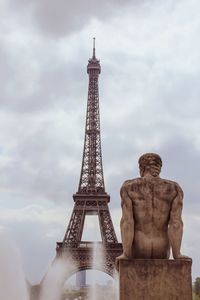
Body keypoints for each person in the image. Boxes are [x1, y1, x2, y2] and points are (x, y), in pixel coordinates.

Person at [117, 153, 189, 262]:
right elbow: (176, 223)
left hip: (139, 247)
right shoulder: (174, 188)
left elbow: (127, 222)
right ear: (159, 167)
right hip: (162, 250)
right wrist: (177, 254)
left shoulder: (128, 187)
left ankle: (126, 252)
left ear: (142, 167)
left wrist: (126, 254)